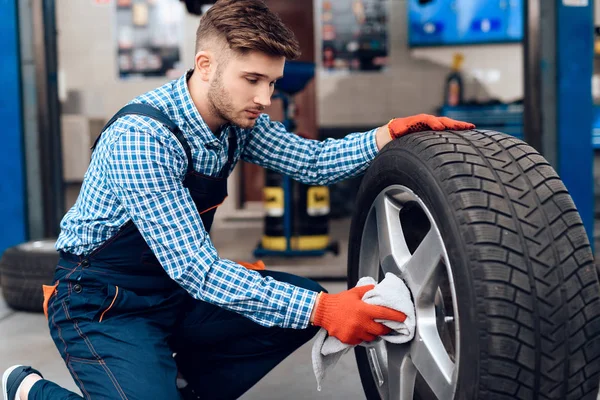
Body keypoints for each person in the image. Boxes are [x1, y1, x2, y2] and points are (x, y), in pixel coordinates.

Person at [2, 0, 474, 399]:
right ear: (205, 65)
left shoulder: (235, 123)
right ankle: (29, 389)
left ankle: (173, 379)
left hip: (174, 292)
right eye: (253, 79)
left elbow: (311, 162)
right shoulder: (143, 138)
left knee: (301, 300)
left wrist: (386, 134)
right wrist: (329, 311)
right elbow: (198, 270)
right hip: (103, 300)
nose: (265, 97)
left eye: (271, 82)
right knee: (315, 305)